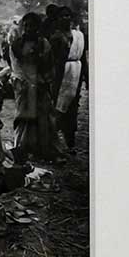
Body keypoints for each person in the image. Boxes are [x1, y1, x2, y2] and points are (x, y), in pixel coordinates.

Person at [9, 12, 59, 161]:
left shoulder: (44, 43)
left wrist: (41, 80)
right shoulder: (16, 44)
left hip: (41, 84)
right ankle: (23, 149)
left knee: (43, 118)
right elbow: (16, 65)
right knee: (24, 117)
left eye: (32, 25)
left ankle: (43, 150)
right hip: (23, 85)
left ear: (38, 27)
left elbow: (49, 65)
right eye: (26, 25)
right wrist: (25, 81)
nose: (29, 28)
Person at [54, 10, 86, 151]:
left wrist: (86, 77)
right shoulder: (56, 37)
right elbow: (53, 60)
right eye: (62, 16)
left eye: (68, 15)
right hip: (61, 74)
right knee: (58, 106)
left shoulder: (78, 36)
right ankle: (54, 140)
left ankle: (70, 140)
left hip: (76, 72)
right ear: (58, 19)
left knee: (73, 106)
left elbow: (83, 57)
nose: (65, 18)